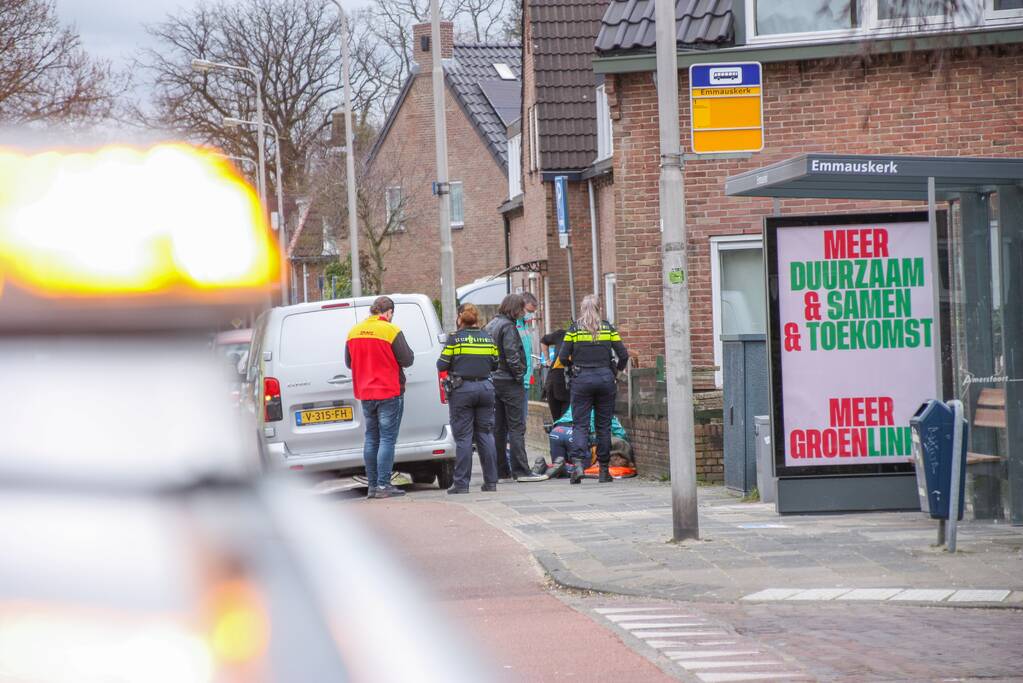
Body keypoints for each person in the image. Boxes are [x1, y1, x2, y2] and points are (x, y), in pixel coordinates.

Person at [345, 296, 415, 499]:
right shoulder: (391, 330)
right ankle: (384, 485)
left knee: (371, 438)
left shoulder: (354, 331)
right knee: (387, 438)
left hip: (366, 393)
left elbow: (349, 362)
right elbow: (407, 359)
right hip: (388, 391)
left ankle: (373, 486)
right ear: (389, 312)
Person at [558, 294, 628, 484]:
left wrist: (573, 366)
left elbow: (563, 356)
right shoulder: (608, 328)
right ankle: (604, 471)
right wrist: (615, 372)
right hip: (606, 379)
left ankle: (579, 465)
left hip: (581, 379)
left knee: (580, 424)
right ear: (600, 308)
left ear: (582, 309)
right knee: (604, 425)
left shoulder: (574, 329)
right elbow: (623, 355)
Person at [437, 304, 500, 494]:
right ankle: (491, 482)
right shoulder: (488, 339)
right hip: (486, 389)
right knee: (485, 435)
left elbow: (441, 364)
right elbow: (495, 365)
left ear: (460, 319)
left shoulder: (455, 340)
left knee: (464, 438)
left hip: (462, 390)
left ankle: (461, 484)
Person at [484, 294, 535, 481]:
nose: (523, 312)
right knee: (516, 427)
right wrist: (520, 375)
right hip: (510, 382)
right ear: (514, 308)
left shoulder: (490, 325)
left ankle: (501, 469)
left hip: (493, 381)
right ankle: (521, 470)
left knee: (499, 428)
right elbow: (512, 354)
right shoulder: (508, 326)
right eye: (521, 309)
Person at [540, 328, 569, 421]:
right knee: (558, 419)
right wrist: (547, 359)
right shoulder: (561, 334)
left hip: (569, 383)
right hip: (555, 381)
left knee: (565, 418)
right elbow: (543, 340)